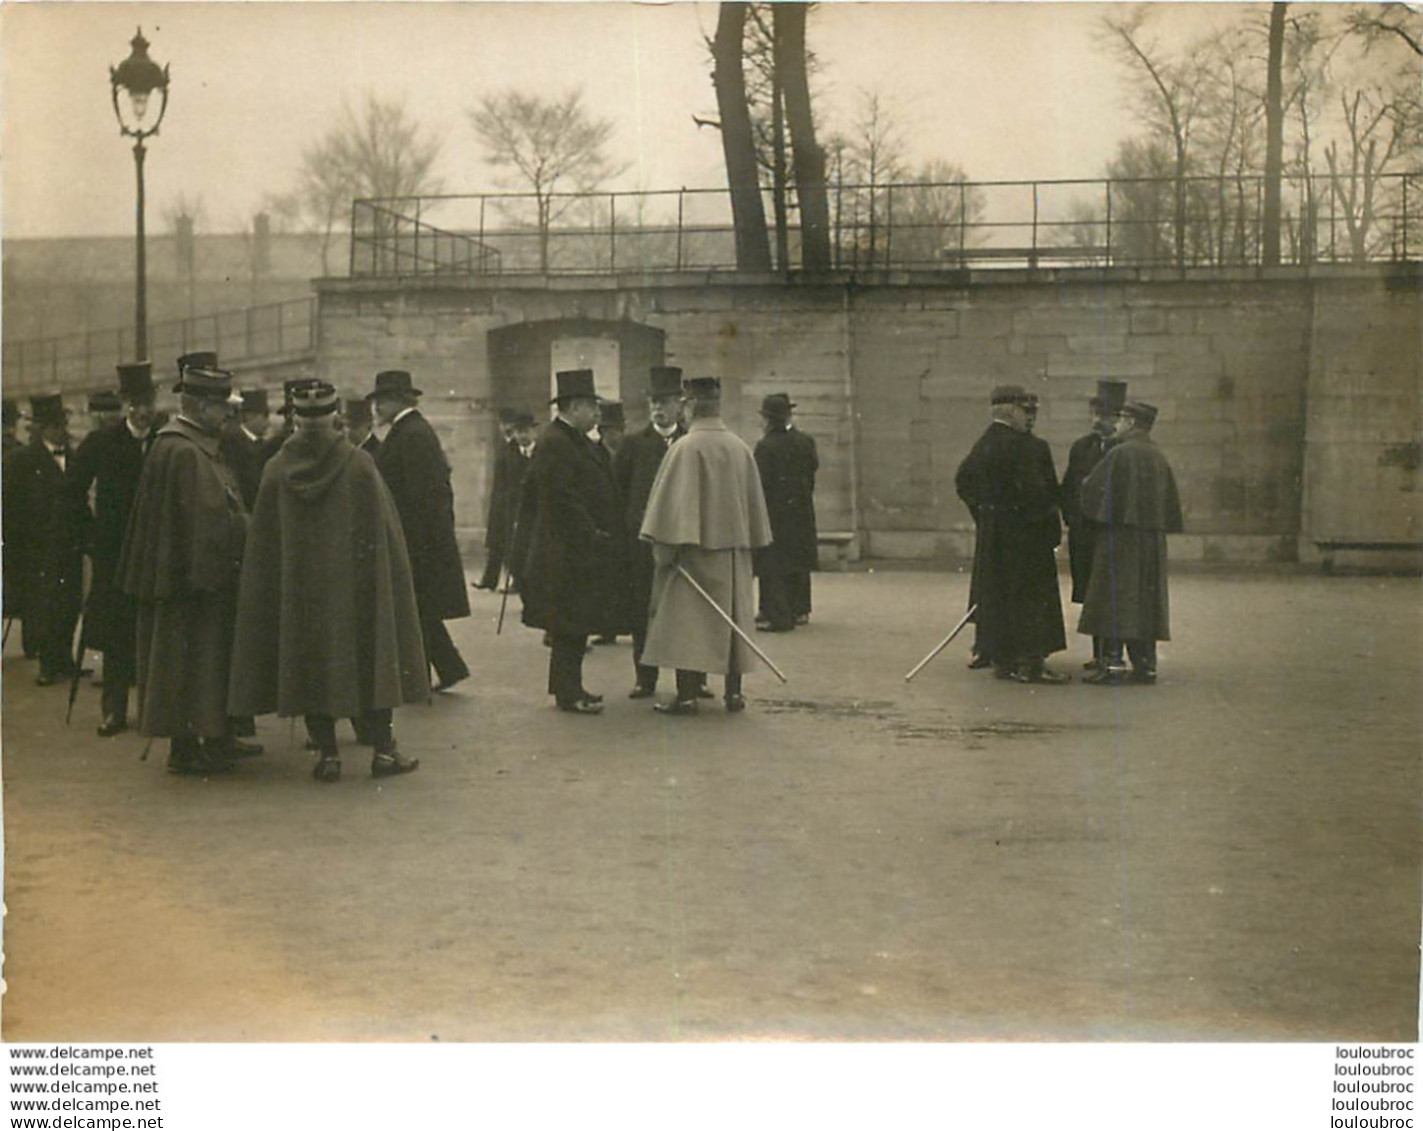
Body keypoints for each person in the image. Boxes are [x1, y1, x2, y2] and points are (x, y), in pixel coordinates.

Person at [229, 381, 427, 781]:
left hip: (301, 598)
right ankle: (384, 752)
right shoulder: (359, 465)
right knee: (370, 656)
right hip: (356, 592)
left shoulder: (276, 470)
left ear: (296, 420)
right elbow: (387, 537)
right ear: (336, 417)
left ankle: (329, 755)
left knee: (307, 664)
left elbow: (263, 549)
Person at [117, 352, 257, 774]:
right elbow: (205, 520)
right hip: (190, 582)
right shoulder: (182, 451)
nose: (227, 414)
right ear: (198, 407)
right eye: (220, 407)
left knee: (206, 661)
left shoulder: (192, 446)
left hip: (200, 576)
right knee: (186, 662)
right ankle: (186, 747)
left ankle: (214, 737)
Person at [639, 375, 774, 715]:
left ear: (692, 406)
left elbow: (670, 512)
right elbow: (756, 512)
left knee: (688, 624)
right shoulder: (740, 447)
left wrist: (664, 554)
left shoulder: (684, 449)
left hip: (693, 554)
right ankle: (734, 694)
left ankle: (686, 696)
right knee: (733, 621)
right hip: (733, 555)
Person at [513, 369, 630, 714]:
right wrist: (591, 534)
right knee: (569, 625)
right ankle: (568, 692)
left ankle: (570, 687)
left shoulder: (571, 440)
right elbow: (561, 499)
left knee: (573, 625)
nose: (597, 414)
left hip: (575, 551)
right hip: (565, 552)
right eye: (592, 407)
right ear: (575, 407)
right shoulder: (555, 443)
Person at [954, 384, 1069, 685]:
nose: (1030, 418)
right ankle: (1031, 664)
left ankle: (1004, 660)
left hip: (995, 538)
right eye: (1025, 411)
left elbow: (963, 482)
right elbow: (1039, 496)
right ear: (1010, 411)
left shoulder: (984, 444)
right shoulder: (1030, 447)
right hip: (1028, 540)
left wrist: (985, 517)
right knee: (1031, 598)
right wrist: (1047, 526)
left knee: (999, 595)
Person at [68, 362, 160, 735]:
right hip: (115, 552)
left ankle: (156, 711)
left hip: (157, 551)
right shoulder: (103, 442)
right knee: (118, 633)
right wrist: (90, 536)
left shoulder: (166, 441)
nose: (143, 410)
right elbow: (72, 493)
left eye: (148, 402)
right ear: (124, 404)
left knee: (155, 632)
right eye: (136, 403)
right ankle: (114, 710)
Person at [369, 369, 471, 692]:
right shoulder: (410, 431)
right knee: (419, 608)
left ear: (397, 400)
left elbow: (419, 496)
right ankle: (446, 668)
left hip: (416, 540)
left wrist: (408, 542)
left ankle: (421, 676)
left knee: (415, 608)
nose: (376, 408)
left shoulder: (411, 434)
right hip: (419, 538)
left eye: (381, 401)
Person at [1078, 400, 1184, 686]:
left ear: (1133, 423)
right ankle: (1145, 666)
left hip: (1120, 539)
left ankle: (1111, 664)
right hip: (1151, 542)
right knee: (1145, 601)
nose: (1118, 424)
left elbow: (1091, 491)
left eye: (1122, 419)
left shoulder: (1120, 454)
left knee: (1112, 597)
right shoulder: (1157, 455)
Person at [612, 365, 690, 698]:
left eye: (666, 401)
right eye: (654, 402)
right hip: (642, 544)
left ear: (680, 405)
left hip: (686, 542)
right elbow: (618, 491)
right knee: (644, 608)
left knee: (688, 611)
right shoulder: (633, 445)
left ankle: (692, 680)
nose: (659, 408)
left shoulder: (691, 442)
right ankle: (646, 678)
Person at [3, 393, 84, 685]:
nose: (62, 430)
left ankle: (65, 659)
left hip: (70, 544)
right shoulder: (21, 461)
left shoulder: (74, 457)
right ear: (42, 429)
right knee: (46, 605)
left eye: (63, 423)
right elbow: (10, 509)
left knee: (71, 601)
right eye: (55, 425)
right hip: (38, 547)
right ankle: (49, 663)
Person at [1059, 378, 1127, 672]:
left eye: (1109, 416)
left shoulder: (1125, 451)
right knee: (1092, 596)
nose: (1101, 421)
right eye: (1097, 415)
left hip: (1111, 535)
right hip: (1086, 534)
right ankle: (1100, 653)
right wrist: (1073, 518)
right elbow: (1069, 487)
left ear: (1120, 419)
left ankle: (1113, 655)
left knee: (1112, 594)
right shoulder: (1082, 447)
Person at [753, 392, 819, 633]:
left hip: (774, 515)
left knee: (773, 566)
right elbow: (812, 474)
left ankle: (775, 613)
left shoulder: (765, 446)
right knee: (798, 561)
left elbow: (760, 484)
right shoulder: (805, 441)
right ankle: (800, 608)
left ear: (769, 420)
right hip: (801, 511)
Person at [476, 409, 535, 591]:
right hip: (511, 507)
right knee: (512, 545)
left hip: (533, 508)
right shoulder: (508, 453)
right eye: (518, 432)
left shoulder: (542, 451)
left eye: (525, 431)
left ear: (534, 432)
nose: (522, 436)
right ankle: (516, 581)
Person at [220, 388, 272, 510]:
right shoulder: (234, 442)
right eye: (264, 416)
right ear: (250, 416)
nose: (268, 423)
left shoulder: (256, 443)